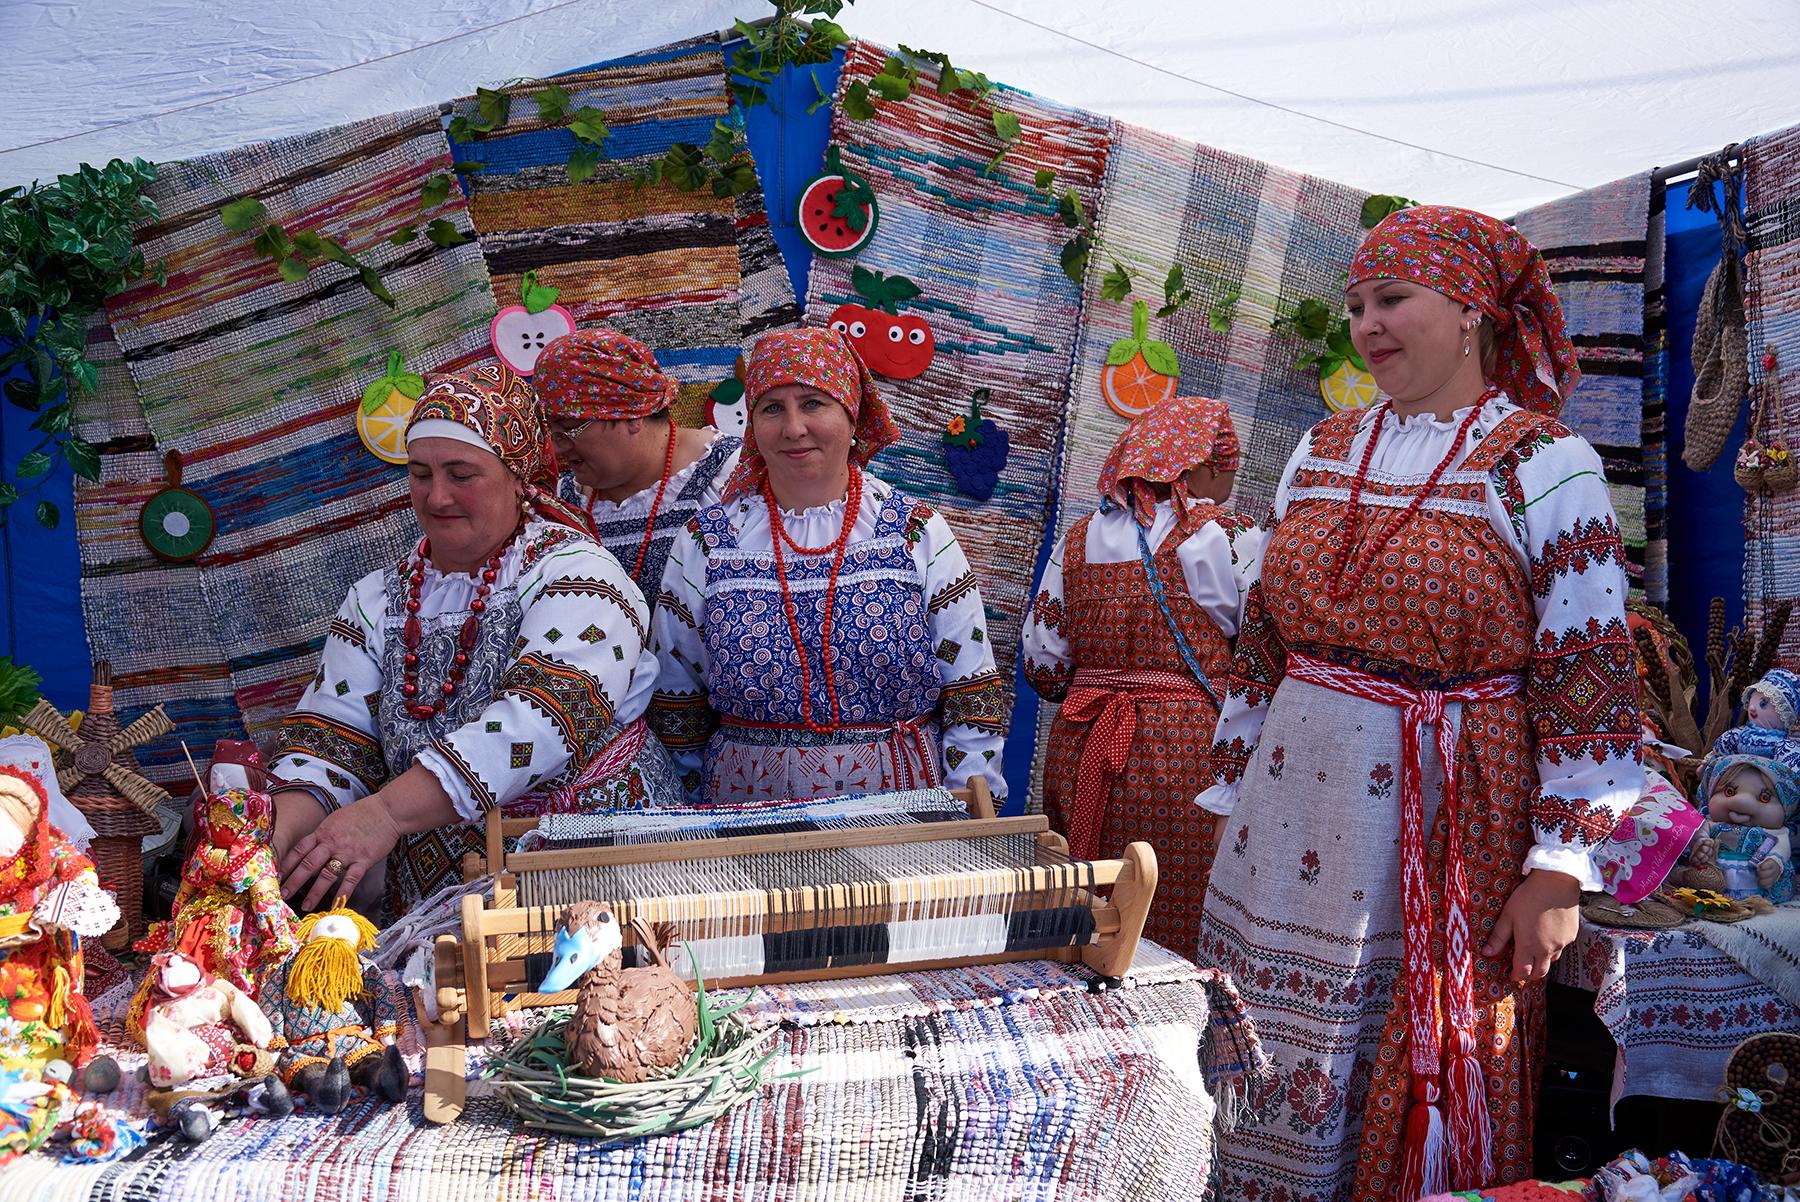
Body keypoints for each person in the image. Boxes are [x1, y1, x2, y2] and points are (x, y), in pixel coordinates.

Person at [1195, 206, 1641, 1199]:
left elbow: (1590, 678)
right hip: (1282, 826)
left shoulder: (1544, 463)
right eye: (1356, 305)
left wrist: (1559, 870)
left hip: (1442, 814)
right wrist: (1232, 790)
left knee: (1413, 1051)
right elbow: (1264, 640)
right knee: (1252, 1048)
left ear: (1474, 307)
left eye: (1392, 298)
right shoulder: (1321, 446)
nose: (1367, 324)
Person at [269, 363, 681, 916]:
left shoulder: (581, 578)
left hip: (589, 883)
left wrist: (387, 813)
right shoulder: (378, 599)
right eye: (420, 473)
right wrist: (262, 848)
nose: (436, 497)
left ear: (519, 476)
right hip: (439, 900)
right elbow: (332, 742)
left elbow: (540, 722)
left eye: (461, 474)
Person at [648, 327, 1009, 804]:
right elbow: (677, 702)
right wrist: (692, 825)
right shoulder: (708, 542)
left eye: (814, 403)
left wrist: (966, 810)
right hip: (744, 822)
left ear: (852, 412)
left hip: (901, 825)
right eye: (772, 408)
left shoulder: (914, 530)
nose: (794, 428)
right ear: (752, 425)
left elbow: (971, 689)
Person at [1021, 395, 1263, 956]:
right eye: (1226, 467)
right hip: (1185, 754)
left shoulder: (1079, 538)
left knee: (1085, 885)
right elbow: (1261, 652)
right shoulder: (1228, 537)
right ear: (1199, 466)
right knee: (1170, 895)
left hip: (1085, 741)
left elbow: (1043, 664)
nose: (1229, 480)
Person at [536, 327, 741, 610]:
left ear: (631, 414)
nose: (557, 449)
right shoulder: (557, 502)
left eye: (570, 428)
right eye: (551, 431)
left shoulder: (732, 477)